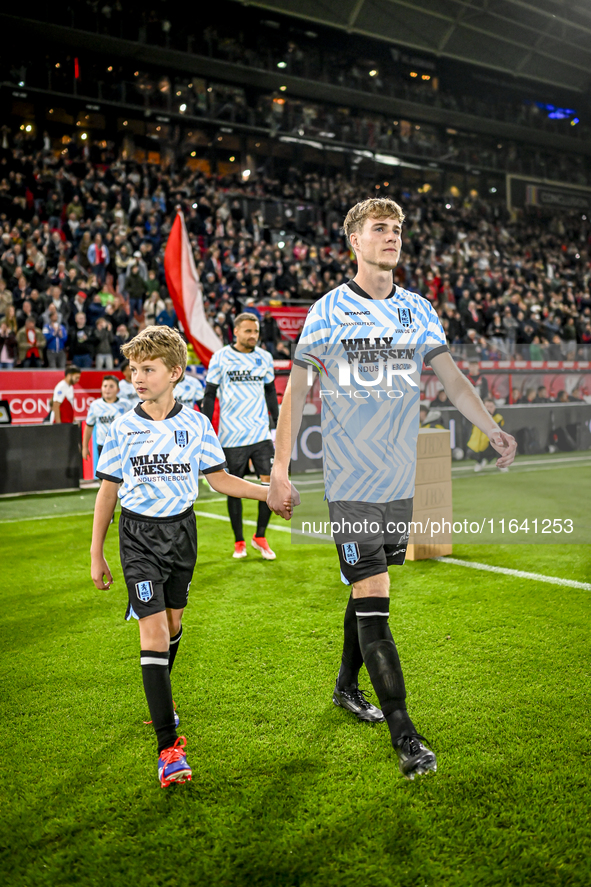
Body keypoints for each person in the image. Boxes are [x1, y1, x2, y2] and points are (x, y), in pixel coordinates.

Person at [267, 197, 516, 781]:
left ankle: (344, 686)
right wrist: (280, 468)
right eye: (381, 229)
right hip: (350, 481)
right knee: (376, 598)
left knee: (368, 589)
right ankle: (406, 733)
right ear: (354, 240)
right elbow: (297, 396)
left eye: (398, 229)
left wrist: (491, 429)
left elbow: (453, 381)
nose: (392, 237)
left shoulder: (419, 311)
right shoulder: (327, 314)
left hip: (398, 480)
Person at [89, 326, 293, 788]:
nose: (137, 378)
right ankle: (167, 747)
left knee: (174, 625)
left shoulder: (196, 424)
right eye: (134, 369)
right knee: (155, 630)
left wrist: (266, 493)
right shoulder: (123, 426)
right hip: (138, 538)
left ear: (176, 372)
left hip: (182, 534)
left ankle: (163, 693)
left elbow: (220, 481)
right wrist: (97, 551)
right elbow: (107, 492)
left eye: (148, 369)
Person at [203, 313, 279, 560]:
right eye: (248, 331)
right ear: (235, 332)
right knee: (233, 488)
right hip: (231, 436)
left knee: (270, 484)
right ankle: (239, 542)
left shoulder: (264, 358)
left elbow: (270, 393)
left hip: (260, 434)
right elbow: (209, 395)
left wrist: (276, 426)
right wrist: (205, 428)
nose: (253, 336)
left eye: (255, 331)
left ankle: (260, 536)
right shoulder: (220, 357)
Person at [82, 375, 126, 464]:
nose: (107, 389)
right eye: (105, 386)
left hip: (122, 446)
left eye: (111, 386)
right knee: (105, 477)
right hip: (103, 446)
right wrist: (85, 447)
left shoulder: (126, 405)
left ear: (118, 389)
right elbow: (89, 426)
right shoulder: (95, 405)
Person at [466, 398, 507, 472]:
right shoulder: (476, 417)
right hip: (478, 445)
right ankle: (481, 461)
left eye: (491, 407)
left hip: (490, 443)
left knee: (499, 445)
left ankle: (501, 463)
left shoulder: (498, 418)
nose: (489, 409)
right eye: (487, 407)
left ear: (494, 407)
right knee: (470, 453)